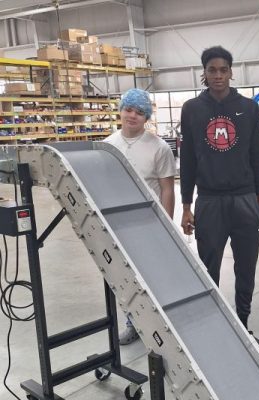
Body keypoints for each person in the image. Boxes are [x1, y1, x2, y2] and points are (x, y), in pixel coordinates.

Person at [179, 46, 259, 349]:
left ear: (231, 72)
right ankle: (213, 327)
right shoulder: (191, 109)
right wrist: (186, 205)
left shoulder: (248, 107)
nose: (217, 75)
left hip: (244, 199)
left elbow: (258, 154)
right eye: (212, 70)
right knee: (208, 266)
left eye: (223, 70)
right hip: (209, 201)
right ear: (203, 73)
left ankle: (243, 325)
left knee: (246, 266)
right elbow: (187, 159)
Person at [104, 88, 177, 345]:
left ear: (146, 117)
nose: (132, 115)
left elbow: (167, 188)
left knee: (154, 275)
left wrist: (166, 224)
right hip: (117, 223)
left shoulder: (158, 147)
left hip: (149, 223)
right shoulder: (107, 145)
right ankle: (132, 323)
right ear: (121, 111)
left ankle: (159, 324)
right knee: (124, 277)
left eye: (139, 112)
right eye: (128, 109)